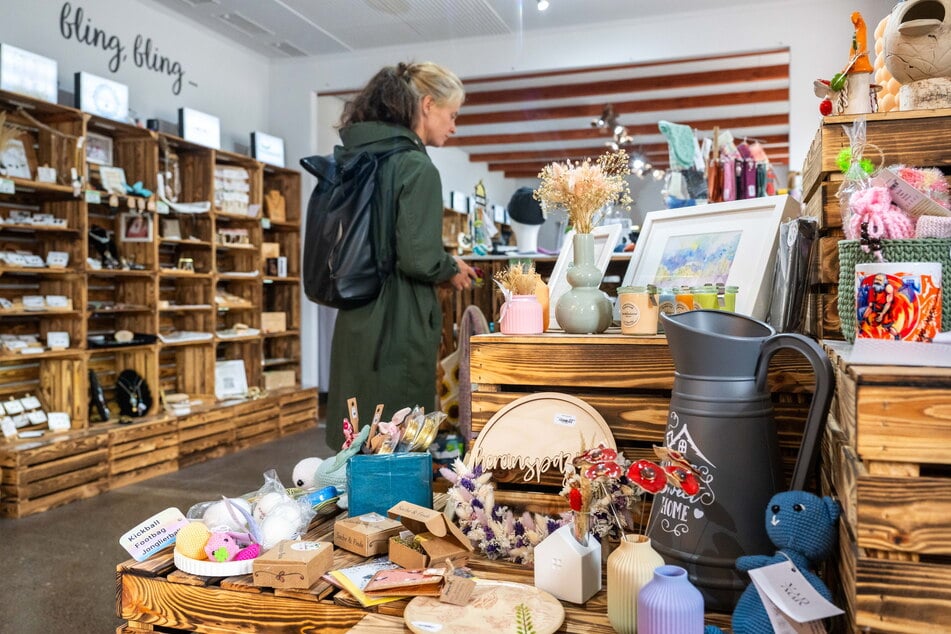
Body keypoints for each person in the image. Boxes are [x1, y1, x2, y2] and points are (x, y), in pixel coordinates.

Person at [324, 61, 478, 450]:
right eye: (452, 114)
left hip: (358, 314)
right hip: (398, 322)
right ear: (427, 105)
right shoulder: (415, 166)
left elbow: (387, 241)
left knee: (358, 437)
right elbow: (418, 257)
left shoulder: (362, 157)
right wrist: (448, 266)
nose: (454, 125)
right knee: (398, 439)